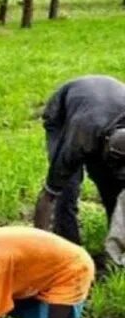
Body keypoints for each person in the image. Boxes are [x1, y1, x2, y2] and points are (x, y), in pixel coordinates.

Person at [33, 75, 125, 246]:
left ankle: (118, 245)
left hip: (104, 109)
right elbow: (49, 196)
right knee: (67, 189)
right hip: (63, 116)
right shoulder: (77, 141)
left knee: (112, 186)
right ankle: (69, 247)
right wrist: (39, 245)